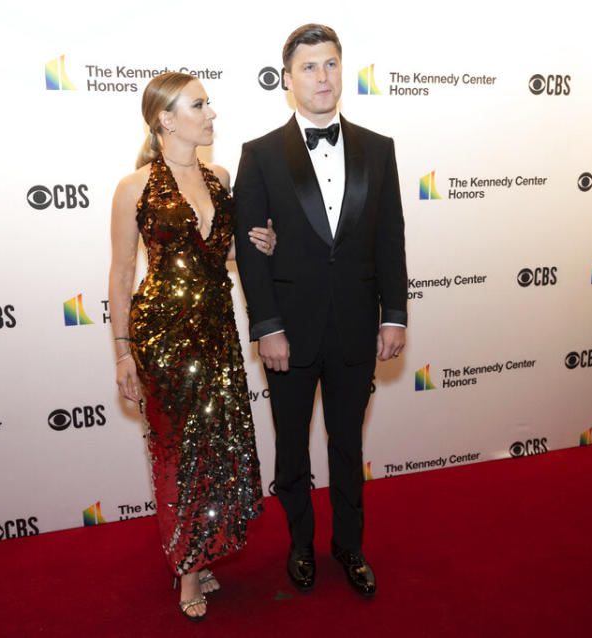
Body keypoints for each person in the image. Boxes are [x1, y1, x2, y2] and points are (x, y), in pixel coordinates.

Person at [233, 24, 408, 599]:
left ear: (343, 70)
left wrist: (395, 314)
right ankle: (301, 545)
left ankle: (349, 546)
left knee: (348, 446)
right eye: (309, 67)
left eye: (330, 64)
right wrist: (268, 327)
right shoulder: (258, 155)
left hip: (358, 328)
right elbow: (253, 254)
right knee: (289, 448)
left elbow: (390, 239)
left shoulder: (378, 148)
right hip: (290, 332)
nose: (322, 76)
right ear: (287, 80)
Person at [107, 72, 275, 622]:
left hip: (218, 335)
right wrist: (123, 352)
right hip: (163, 339)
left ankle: (201, 552)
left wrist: (258, 245)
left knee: (213, 453)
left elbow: (218, 257)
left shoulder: (219, 177)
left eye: (208, 104)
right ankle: (186, 569)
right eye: (199, 105)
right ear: (166, 118)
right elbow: (122, 273)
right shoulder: (133, 188)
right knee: (176, 455)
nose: (211, 114)